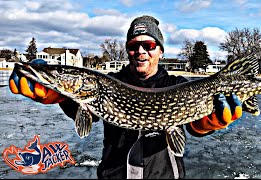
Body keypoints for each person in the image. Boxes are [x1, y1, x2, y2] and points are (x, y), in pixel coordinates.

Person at [9, 15, 242, 179]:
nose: (140, 51)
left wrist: (207, 124)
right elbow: (87, 115)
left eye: (148, 44)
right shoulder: (111, 82)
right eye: (133, 46)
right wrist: (62, 98)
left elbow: (193, 127)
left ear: (160, 50)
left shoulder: (176, 85)